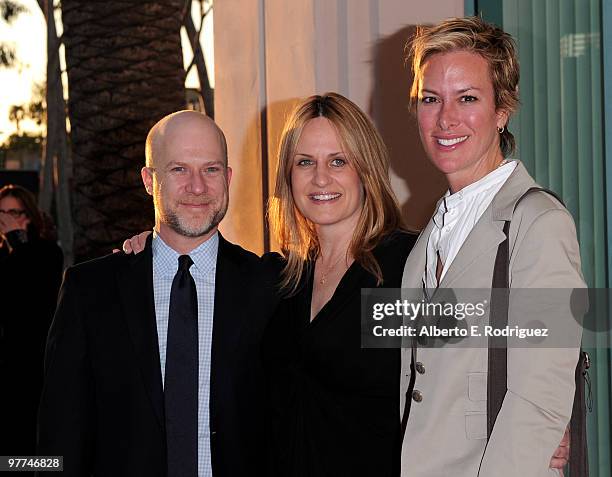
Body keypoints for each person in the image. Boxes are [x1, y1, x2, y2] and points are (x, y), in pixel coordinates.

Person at [37, 111, 277, 477]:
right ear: (150, 180)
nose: (198, 187)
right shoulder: (91, 291)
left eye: (211, 169)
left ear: (228, 177)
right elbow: (60, 434)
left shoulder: (269, 284)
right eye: (179, 169)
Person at [399, 17, 584, 476]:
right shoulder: (431, 234)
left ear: (502, 110)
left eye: (467, 98)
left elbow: (540, 396)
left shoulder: (539, 222)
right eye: (430, 99)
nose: (445, 119)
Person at [261, 93, 417, 476]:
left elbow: (506, 338)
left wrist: (537, 426)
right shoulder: (280, 281)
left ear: (365, 169)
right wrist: (149, 250)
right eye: (304, 162)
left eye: (338, 161)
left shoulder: (404, 268)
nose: (320, 178)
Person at [0, 185, 63, 460]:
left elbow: (31, 292)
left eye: (13, 211)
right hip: (6, 361)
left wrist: (17, 239)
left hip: (33, 362)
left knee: (27, 442)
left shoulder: (46, 252)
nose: (5, 218)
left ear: (28, 214)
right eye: (1, 212)